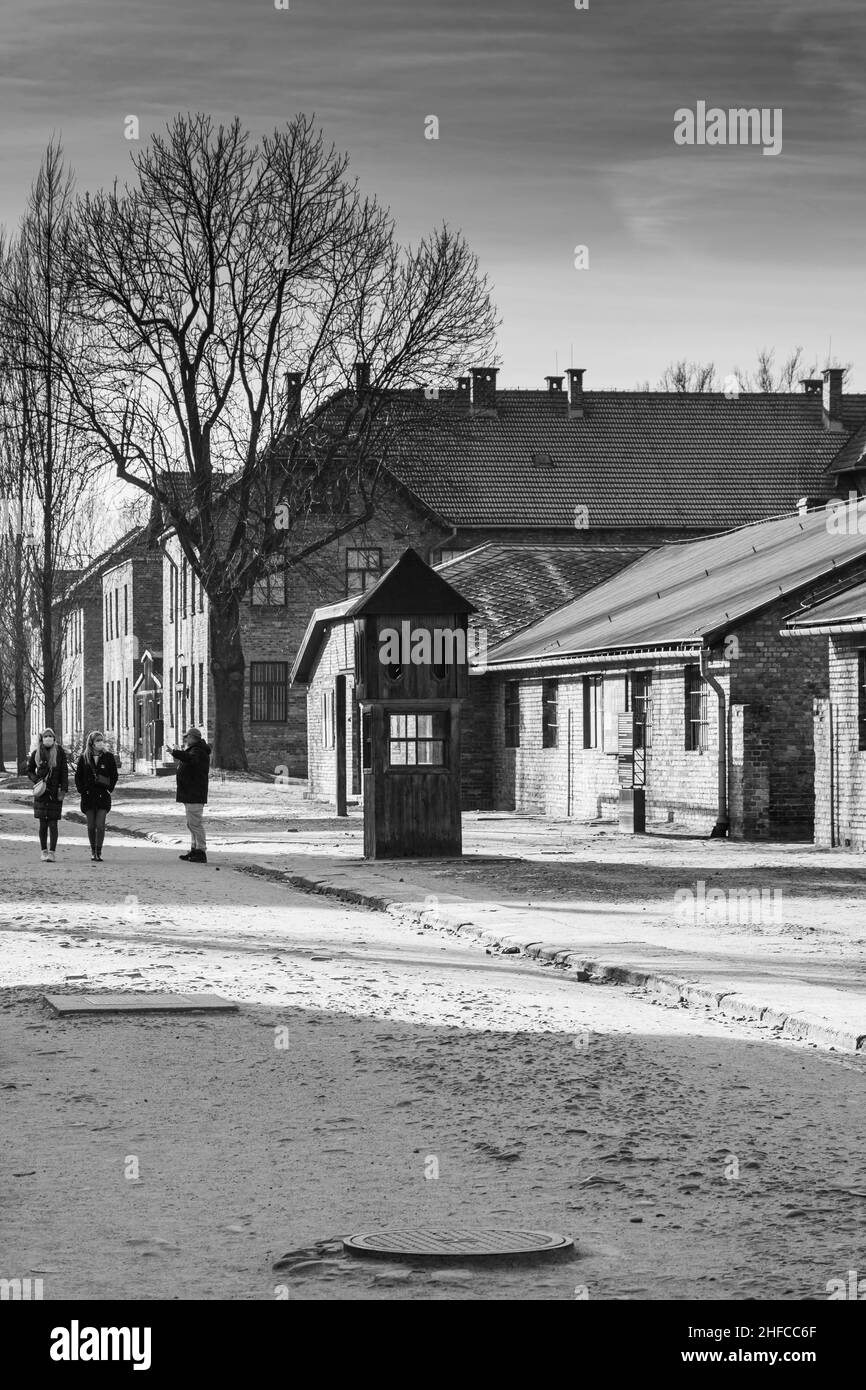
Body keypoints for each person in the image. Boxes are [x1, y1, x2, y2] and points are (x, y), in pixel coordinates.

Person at [75, 730, 119, 863]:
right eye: (97, 741)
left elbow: (114, 775)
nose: (100, 743)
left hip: (102, 795)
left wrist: (109, 788)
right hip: (88, 796)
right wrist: (82, 790)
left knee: (100, 825)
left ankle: (99, 851)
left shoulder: (108, 757)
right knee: (91, 825)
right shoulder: (84, 757)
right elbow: (78, 776)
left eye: (102, 740)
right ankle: (93, 850)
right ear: (92, 743)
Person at [27, 728, 69, 862]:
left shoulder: (60, 752)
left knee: (53, 823)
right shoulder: (36, 752)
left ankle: (52, 852)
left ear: (54, 738)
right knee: (43, 824)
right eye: (46, 736)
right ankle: (43, 850)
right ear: (42, 738)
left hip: (54, 792)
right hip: (41, 791)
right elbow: (29, 770)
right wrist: (36, 780)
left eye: (51, 736)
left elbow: (64, 771)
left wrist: (63, 789)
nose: (48, 738)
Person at [170, 726, 211, 863]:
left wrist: (175, 752)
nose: (185, 739)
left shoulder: (198, 751)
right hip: (190, 792)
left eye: (187, 737)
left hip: (195, 793)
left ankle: (201, 851)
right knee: (191, 823)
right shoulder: (195, 750)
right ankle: (195, 849)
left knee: (195, 823)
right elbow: (188, 759)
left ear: (193, 738)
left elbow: (190, 759)